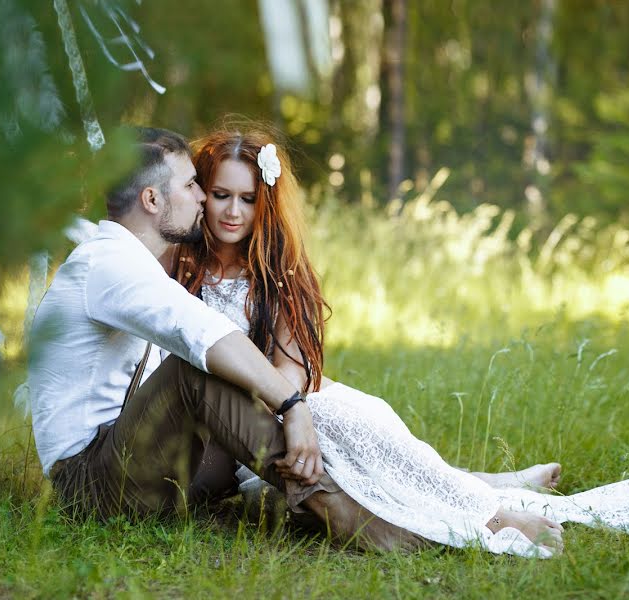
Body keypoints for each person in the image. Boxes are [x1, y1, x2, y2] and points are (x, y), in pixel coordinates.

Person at [170, 125, 629, 558]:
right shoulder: (181, 265)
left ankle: (492, 509)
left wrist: (288, 408)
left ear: (263, 203)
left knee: (353, 427)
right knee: (346, 466)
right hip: (226, 430)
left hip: (284, 403)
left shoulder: (279, 270)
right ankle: (490, 495)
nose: (233, 212)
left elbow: (291, 372)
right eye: (220, 195)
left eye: (246, 199)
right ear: (201, 194)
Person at [27, 129, 429, 551]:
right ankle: (345, 512)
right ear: (151, 199)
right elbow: (202, 331)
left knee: (236, 419)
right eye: (189, 186)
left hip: (133, 460)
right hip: (89, 483)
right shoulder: (108, 264)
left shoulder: (131, 261)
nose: (201, 198)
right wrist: (292, 408)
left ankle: (382, 496)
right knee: (192, 371)